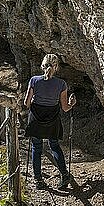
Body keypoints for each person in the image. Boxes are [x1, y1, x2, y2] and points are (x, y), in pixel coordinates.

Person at [24, 54, 76, 189]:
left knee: (36, 147)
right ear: (56, 67)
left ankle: (38, 180)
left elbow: (27, 103)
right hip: (52, 118)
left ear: (43, 66)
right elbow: (65, 108)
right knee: (54, 146)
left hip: (36, 118)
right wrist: (71, 103)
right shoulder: (61, 84)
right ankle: (64, 175)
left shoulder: (34, 80)